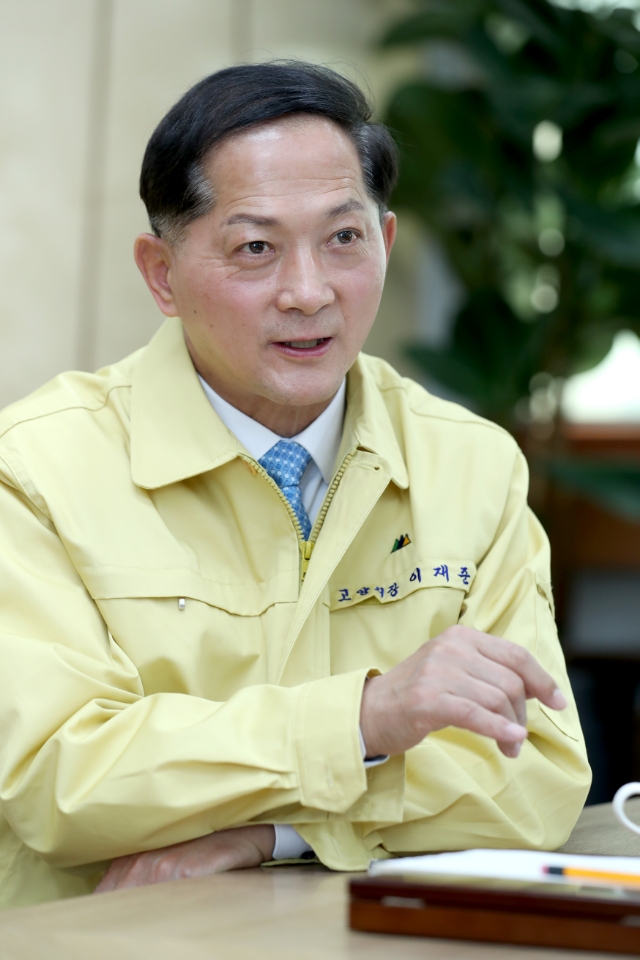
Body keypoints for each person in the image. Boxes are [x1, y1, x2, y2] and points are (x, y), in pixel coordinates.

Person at [0, 62, 590, 908]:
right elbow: (56, 775)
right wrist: (364, 721)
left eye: (344, 239)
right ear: (162, 274)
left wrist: (276, 837)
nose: (309, 293)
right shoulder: (37, 467)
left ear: (385, 242)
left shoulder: (471, 464)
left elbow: (536, 774)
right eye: (256, 248)